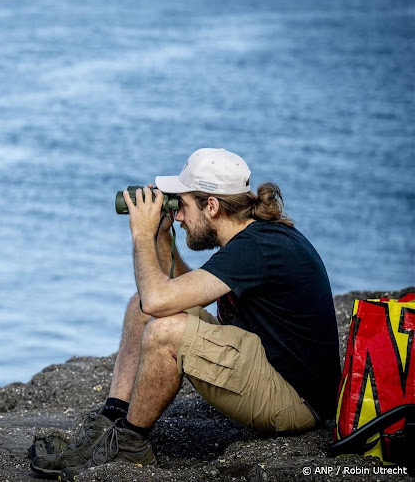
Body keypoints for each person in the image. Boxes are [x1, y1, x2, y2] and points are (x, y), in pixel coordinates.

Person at [30, 148, 341, 481]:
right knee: (141, 308)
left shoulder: (256, 250)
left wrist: (141, 234)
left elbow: (159, 300)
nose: (178, 215)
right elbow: (174, 292)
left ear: (212, 206)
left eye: (184, 205)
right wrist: (162, 235)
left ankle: (129, 445)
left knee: (166, 331)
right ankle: (112, 421)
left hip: (295, 401)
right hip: (268, 365)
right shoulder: (250, 237)